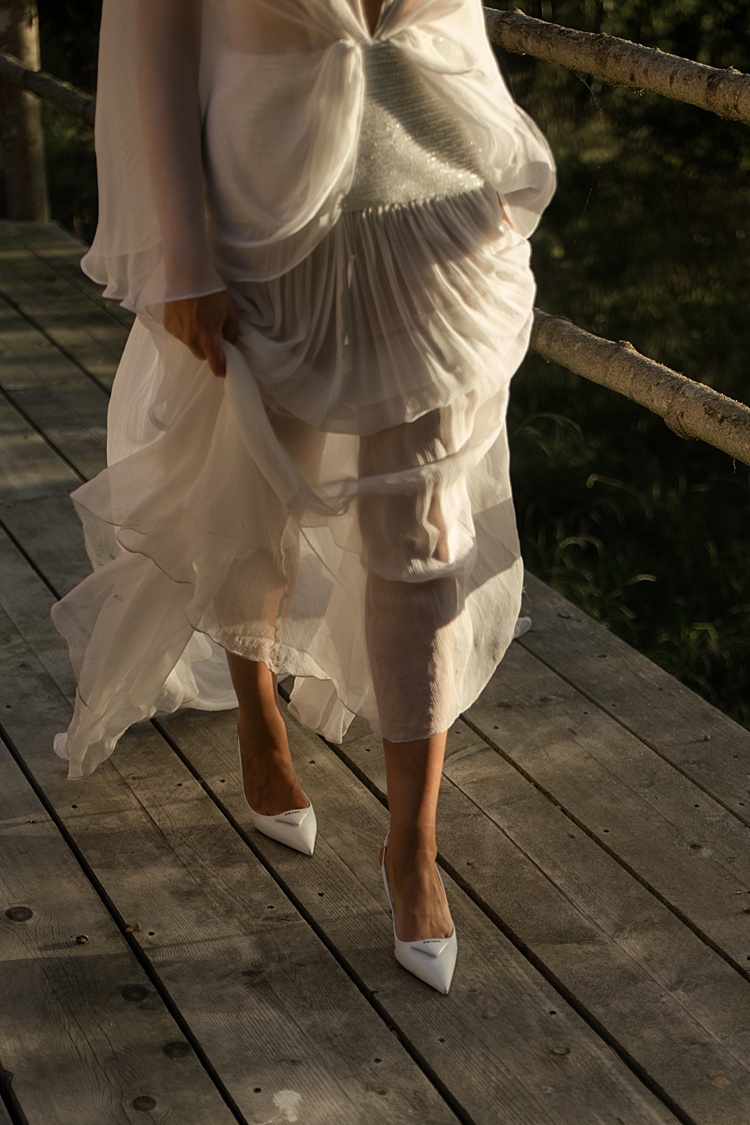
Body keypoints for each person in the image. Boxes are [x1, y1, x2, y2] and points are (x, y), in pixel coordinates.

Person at [51, 0, 555, 994]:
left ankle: (412, 853)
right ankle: (258, 723)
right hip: (262, 222)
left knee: (424, 538)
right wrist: (182, 259)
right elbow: (151, 44)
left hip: (441, 213)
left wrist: (491, 142)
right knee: (256, 504)